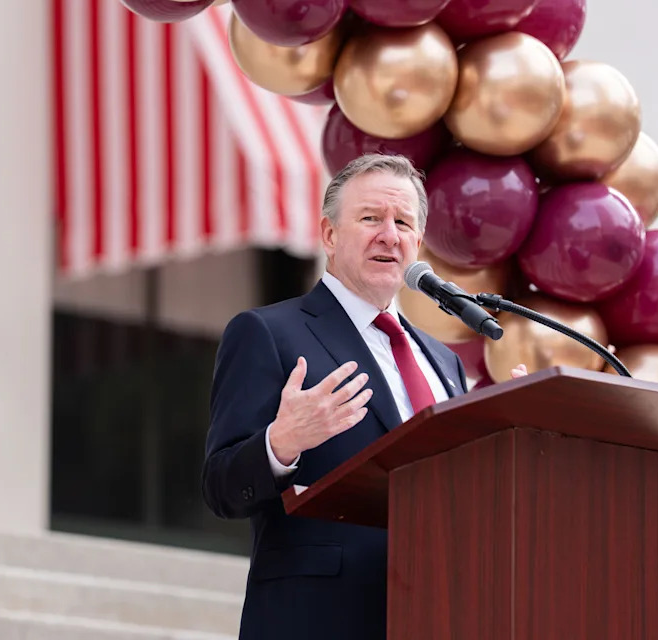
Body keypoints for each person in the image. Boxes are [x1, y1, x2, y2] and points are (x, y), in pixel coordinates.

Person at [202, 153, 526, 640]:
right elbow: (220, 487)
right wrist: (281, 442)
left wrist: (498, 428)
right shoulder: (268, 332)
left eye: (402, 222)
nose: (388, 235)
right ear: (330, 235)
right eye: (371, 217)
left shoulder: (444, 361)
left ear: (417, 243)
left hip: (436, 612)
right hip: (317, 617)